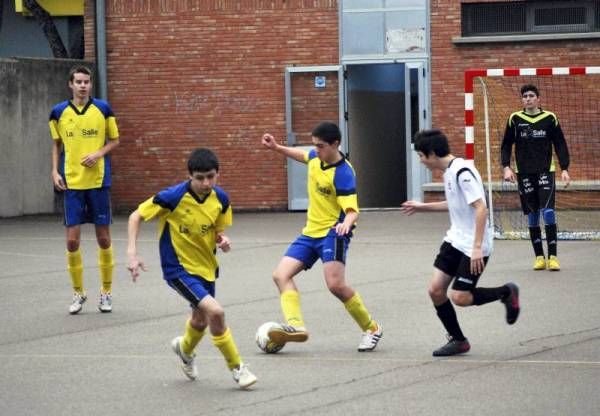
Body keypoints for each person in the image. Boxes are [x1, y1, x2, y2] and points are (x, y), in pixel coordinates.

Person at [126, 148, 257, 389]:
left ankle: (184, 350)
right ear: (190, 176)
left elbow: (217, 230)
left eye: (210, 176)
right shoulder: (172, 197)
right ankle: (238, 369)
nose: (205, 183)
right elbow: (136, 216)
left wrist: (222, 240)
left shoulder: (222, 200)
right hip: (178, 269)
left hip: (206, 267)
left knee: (200, 321)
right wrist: (132, 253)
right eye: (199, 178)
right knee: (216, 312)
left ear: (218, 174)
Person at [261, 121, 382, 352]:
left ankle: (372, 328)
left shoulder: (344, 173)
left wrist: (346, 225)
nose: (316, 150)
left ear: (335, 144)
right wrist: (277, 147)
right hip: (310, 232)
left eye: (321, 146)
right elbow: (302, 155)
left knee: (335, 285)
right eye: (315, 146)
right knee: (280, 275)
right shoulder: (316, 158)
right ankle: (295, 326)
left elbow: (353, 210)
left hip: (333, 232)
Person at [401, 129, 520, 357]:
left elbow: (480, 208)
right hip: (455, 239)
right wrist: (421, 207)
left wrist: (476, 248)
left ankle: (506, 292)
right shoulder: (449, 172)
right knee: (436, 290)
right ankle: (458, 340)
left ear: (433, 153)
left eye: (421, 155)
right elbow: (455, 203)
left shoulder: (463, 172)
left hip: (475, 245)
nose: (420, 160)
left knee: (460, 297)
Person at [49, 65, 120, 314]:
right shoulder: (58, 112)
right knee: (71, 241)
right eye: (78, 81)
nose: (82, 85)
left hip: (99, 182)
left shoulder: (103, 109)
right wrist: (55, 171)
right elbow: (56, 144)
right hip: (72, 183)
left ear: (91, 84)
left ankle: (106, 292)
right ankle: (79, 293)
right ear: (70, 84)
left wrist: (98, 153)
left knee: (103, 238)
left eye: (86, 82)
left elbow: (115, 140)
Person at [500, 84, 571, 271]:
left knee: (548, 212)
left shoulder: (550, 118)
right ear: (522, 99)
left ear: (538, 99)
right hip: (523, 172)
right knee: (532, 215)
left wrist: (565, 168)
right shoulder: (515, 119)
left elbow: (560, 143)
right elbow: (506, 144)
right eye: (525, 96)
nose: (528, 98)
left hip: (546, 170)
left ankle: (553, 257)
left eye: (531, 95)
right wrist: (506, 167)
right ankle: (539, 257)